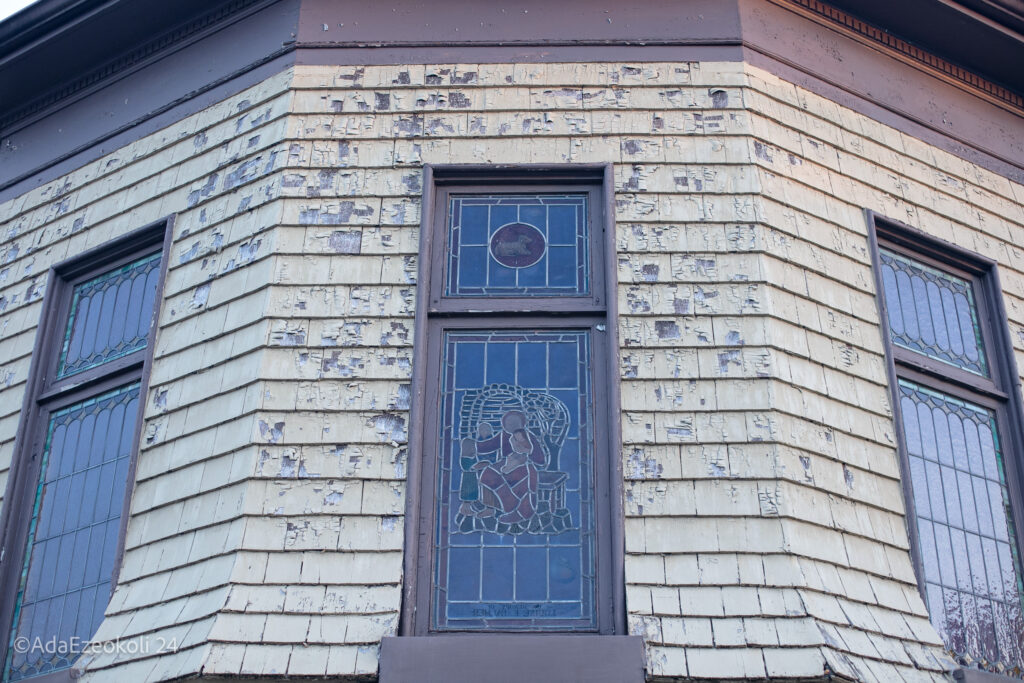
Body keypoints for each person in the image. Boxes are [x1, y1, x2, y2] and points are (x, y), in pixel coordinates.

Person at [463, 410, 546, 524]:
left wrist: (527, 452)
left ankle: (516, 510)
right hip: (506, 463)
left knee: (518, 480)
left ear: (521, 423)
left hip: (524, 465)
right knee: (487, 474)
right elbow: (488, 445)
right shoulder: (503, 435)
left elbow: (540, 459)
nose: (511, 425)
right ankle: (490, 508)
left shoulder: (528, 436)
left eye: (514, 423)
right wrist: (473, 446)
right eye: (509, 423)